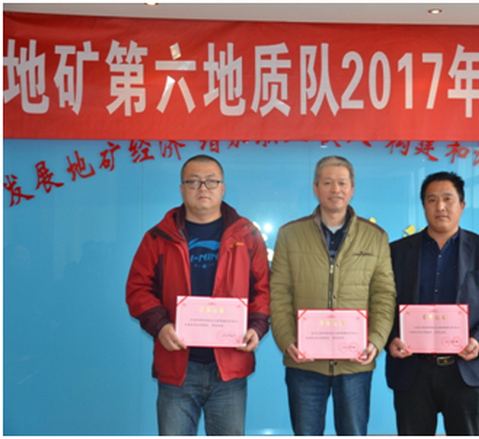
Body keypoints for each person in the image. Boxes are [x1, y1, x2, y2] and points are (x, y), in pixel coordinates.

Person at [125, 154, 270, 435]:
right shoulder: (158, 237)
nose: (203, 188)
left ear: (222, 188)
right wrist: (160, 325)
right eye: (193, 182)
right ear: (182, 189)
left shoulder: (248, 236)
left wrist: (257, 326)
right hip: (177, 366)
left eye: (211, 181)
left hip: (229, 365)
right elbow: (137, 289)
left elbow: (263, 290)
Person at [270, 155, 397, 435]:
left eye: (342, 183)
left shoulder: (375, 236)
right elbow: (279, 293)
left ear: (352, 189)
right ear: (315, 188)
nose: (335, 189)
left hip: (355, 363)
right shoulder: (290, 234)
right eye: (327, 183)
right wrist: (287, 340)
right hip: (304, 361)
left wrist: (376, 341)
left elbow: (384, 295)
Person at [386, 171, 479, 436]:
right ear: (423, 205)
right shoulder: (397, 251)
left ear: (462, 205)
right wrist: (391, 338)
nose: (440, 207)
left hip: (465, 369)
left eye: (448, 199)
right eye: (432, 200)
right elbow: (383, 302)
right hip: (412, 370)